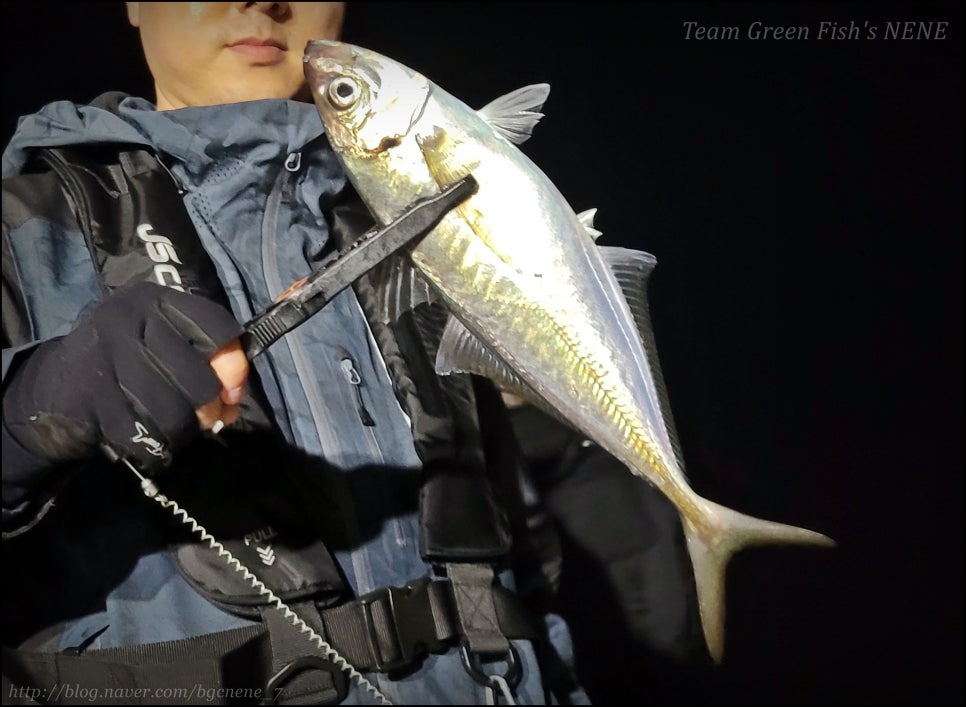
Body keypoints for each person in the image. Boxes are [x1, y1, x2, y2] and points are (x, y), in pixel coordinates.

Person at [2, 3, 705, 704]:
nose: (263, 2)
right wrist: (26, 413)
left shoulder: (420, 234)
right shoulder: (20, 221)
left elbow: (540, 579)